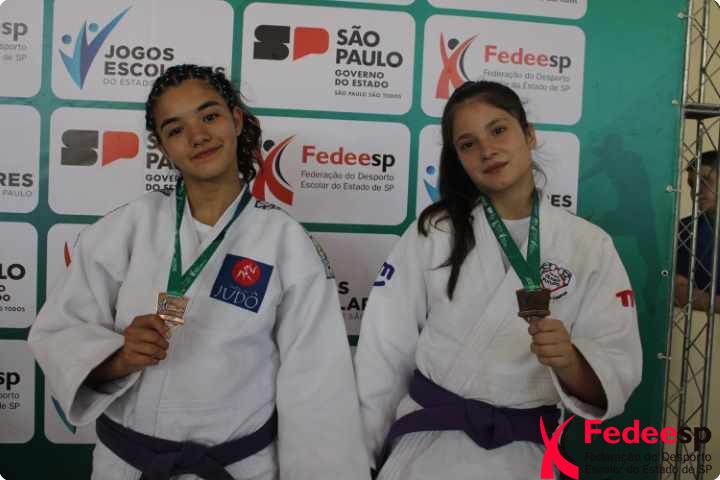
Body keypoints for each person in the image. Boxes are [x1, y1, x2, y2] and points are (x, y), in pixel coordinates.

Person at [29, 64, 370, 480]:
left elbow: (316, 385)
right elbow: (59, 331)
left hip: (237, 468)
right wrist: (116, 357)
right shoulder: (126, 228)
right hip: (128, 466)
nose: (198, 136)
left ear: (236, 120)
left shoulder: (286, 243)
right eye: (176, 129)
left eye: (209, 116)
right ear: (162, 146)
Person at [354, 80, 643, 480]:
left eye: (498, 130)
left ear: (529, 134)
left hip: (523, 455)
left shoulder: (588, 245)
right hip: (427, 450)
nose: (487, 149)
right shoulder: (435, 233)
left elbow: (617, 362)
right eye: (468, 144)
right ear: (458, 158)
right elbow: (383, 353)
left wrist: (571, 362)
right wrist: (361, 458)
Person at [675, 150, 720, 311]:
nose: (696, 190)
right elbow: (678, 290)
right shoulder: (687, 229)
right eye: (692, 184)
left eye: (705, 180)